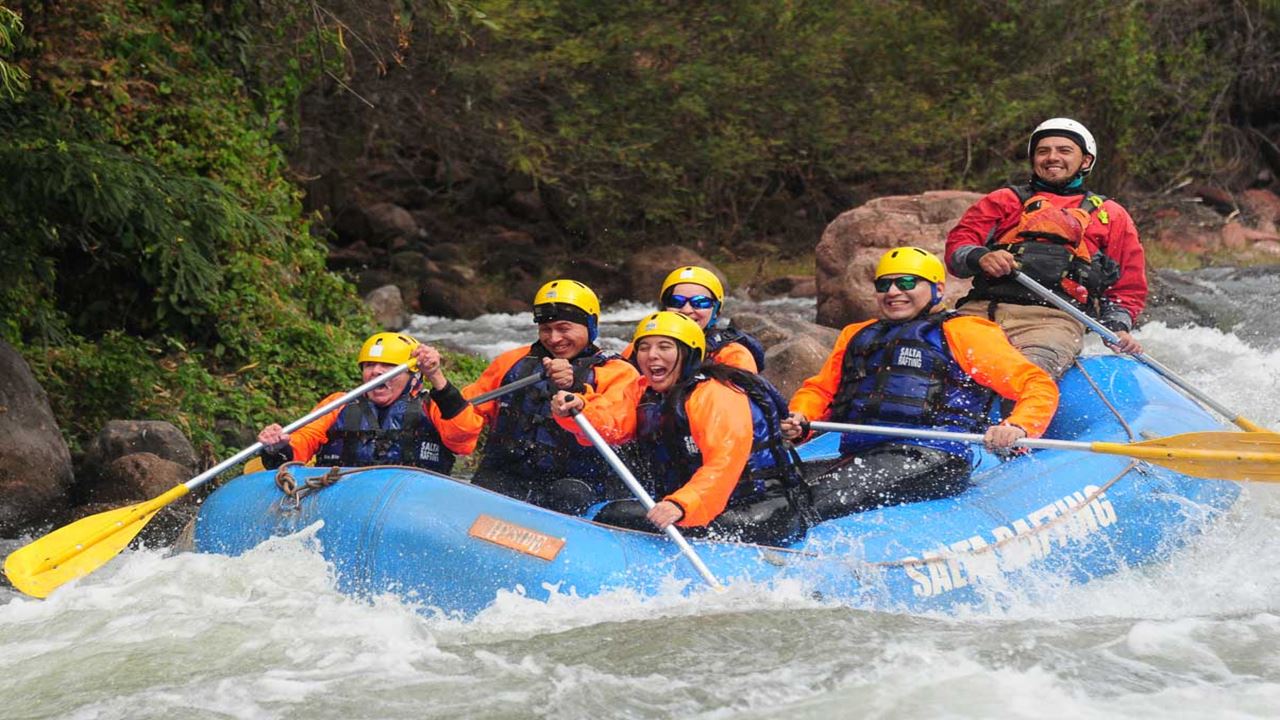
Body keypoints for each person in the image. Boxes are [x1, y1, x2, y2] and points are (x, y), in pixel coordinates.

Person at [781, 247, 1059, 521]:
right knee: (767, 486)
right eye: (884, 284)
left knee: (807, 500)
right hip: (862, 453)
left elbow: (1036, 384)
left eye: (907, 282)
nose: (893, 292)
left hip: (934, 457)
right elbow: (820, 390)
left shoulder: (965, 331)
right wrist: (800, 418)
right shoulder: (857, 334)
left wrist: (1018, 425)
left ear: (937, 289)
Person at [552, 311, 808, 545]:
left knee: (617, 515)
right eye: (644, 347)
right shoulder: (642, 390)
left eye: (665, 347)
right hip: (699, 505)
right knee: (614, 513)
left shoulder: (716, 394)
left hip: (763, 506)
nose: (652, 355)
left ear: (688, 354)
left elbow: (724, 463)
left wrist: (682, 505)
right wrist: (579, 409)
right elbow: (612, 423)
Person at [944, 117, 1147, 377]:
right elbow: (957, 249)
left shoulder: (1110, 215)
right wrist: (981, 256)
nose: (1052, 157)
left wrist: (1116, 325)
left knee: (1029, 374)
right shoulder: (1003, 200)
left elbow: (1127, 288)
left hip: (1054, 321)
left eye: (1064, 150)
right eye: (1043, 151)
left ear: (1085, 161)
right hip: (981, 311)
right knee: (937, 363)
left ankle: (1019, 415)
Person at [457, 279, 639, 513]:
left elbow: (614, 427)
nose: (554, 339)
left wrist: (575, 392)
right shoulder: (512, 363)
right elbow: (467, 415)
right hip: (509, 475)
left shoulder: (617, 372)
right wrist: (443, 394)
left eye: (564, 328)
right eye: (546, 329)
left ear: (590, 326)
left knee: (568, 495)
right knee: (489, 483)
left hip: (579, 484)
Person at [257, 332, 480, 473]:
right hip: (346, 499)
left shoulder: (433, 405)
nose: (376, 372)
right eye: (369, 365)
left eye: (388, 366)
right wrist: (279, 448)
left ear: (413, 375)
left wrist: (436, 376)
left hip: (413, 505)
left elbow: (464, 440)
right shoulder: (339, 404)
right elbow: (301, 444)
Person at [623, 265, 767, 372]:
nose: (686, 310)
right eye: (676, 301)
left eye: (700, 302)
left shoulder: (732, 355)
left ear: (716, 310)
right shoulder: (639, 350)